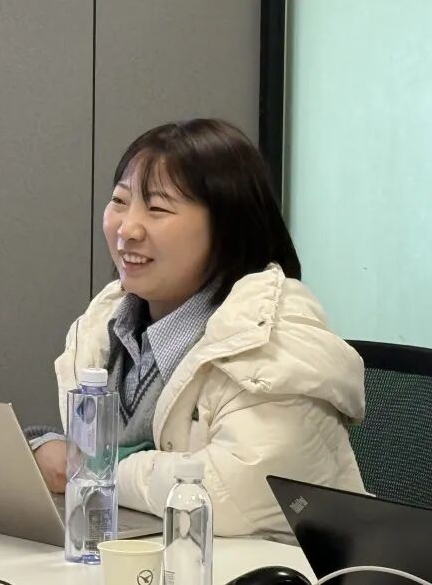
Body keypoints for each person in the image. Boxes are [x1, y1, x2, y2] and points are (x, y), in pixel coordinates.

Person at [29, 118, 365, 540]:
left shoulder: (273, 333)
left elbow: (233, 490)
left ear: (227, 228)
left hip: (267, 563)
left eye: (157, 209)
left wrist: (87, 467)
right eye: (120, 201)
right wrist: (41, 449)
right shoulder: (107, 323)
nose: (127, 229)